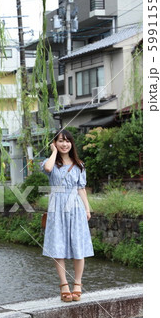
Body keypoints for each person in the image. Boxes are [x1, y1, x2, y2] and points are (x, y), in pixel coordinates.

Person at [41, 129, 94, 302]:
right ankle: (64, 285)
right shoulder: (50, 163)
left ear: (72, 143)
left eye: (67, 141)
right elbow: (48, 168)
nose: (64, 144)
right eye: (60, 141)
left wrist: (87, 209)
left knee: (79, 245)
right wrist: (54, 152)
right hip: (57, 206)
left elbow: (81, 189)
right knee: (58, 246)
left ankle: (77, 284)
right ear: (55, 143)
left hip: (76, 207)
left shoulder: (79, 165)